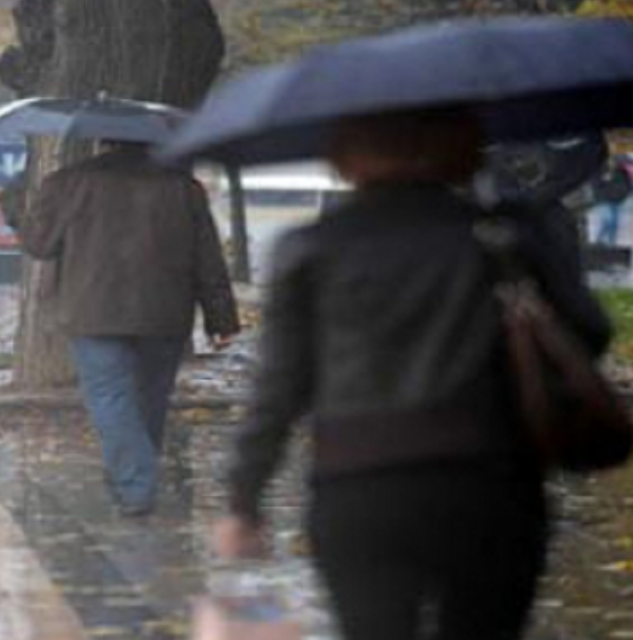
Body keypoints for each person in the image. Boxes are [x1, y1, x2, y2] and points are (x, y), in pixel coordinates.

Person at [214, 111, 612, 640]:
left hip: (359, 486)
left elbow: (278, 389)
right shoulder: (503, 234)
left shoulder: (313, 247)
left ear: (345, 155)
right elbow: (589, 332)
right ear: (465, 149)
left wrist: (244, 499)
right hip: (490, 482)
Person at [18, 142, 240, 517]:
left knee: (110, 397)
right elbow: (208, 258)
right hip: (165, 311)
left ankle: (136, 484)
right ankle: (133, 477)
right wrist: (222, 319)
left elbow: (39, 244)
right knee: (149, 399)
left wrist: (15, 203)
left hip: (94, 311)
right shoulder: (183, 187)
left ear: (102, 141)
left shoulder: (70, 182)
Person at [593, 157, 633, 245]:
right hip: (604, 199)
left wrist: (625, 193)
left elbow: (629, 183)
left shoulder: (621, 170)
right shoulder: (600, 170)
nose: (613, 162)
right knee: (610, 220)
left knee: (613, 223)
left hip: (618, 200)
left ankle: (606, 242)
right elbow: (595, 185)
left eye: (614, 160)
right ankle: (606, 242)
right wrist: (604, 179)